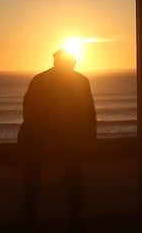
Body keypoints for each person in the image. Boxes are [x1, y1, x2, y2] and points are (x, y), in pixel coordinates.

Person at [19, 49, 97, 231]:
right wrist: (90, 137)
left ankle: (32, 211)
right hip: (53, 136)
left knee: (35, 174)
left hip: (47, 136)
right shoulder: (80, 81)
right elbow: (88, 112)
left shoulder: (40, 80)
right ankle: (74, 213)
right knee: (73, 173)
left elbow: (29, 110)